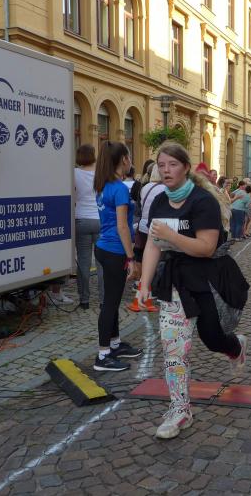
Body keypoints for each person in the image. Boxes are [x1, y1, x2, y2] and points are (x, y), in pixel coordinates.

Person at [138, 142, 248, 439]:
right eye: (161, 165)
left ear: (185, 167)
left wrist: (172, 236)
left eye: (172, 165)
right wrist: (144, 283)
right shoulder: (159, 202)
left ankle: (235, 347)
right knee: (174, 349)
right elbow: (153, 244)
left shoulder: (203, 201)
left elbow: (206, 247)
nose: (166, 170)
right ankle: (180, 410)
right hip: (175, 284)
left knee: (212, 338)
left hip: (206, 281)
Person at [92, 141, 143, 372]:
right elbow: (123, 227)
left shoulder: (103, 186)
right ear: (124, 159)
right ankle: (103, 355)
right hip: (115, 250)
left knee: (112, 301)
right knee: (111, 303)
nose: (130, 160)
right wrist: (131, 258)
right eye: (129, 156)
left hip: (104, 247)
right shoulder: (120, 188)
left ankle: (114, 344)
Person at [74, 144, 104, 310]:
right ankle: (103, 300)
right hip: (100, 220)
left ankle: (84, 299)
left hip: (81, 220)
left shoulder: (74, 173)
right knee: (101, 263)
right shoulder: (101, 173)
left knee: (83, 262)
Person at [134, 163, 167, 276]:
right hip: (157, 227)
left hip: (143, 225)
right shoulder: (165, 188)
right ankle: (153, 279)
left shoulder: (145, 187)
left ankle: (142, 279)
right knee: (156, 256)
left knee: (143, 254)